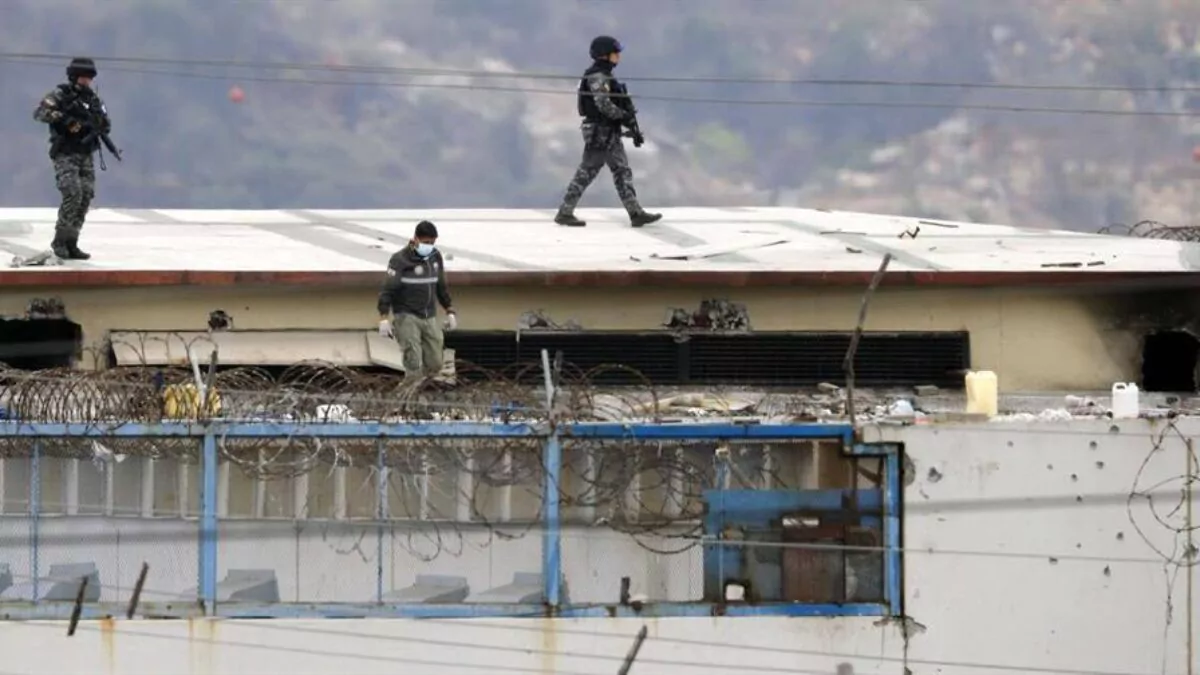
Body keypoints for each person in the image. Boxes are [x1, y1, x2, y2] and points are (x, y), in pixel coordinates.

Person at [554, 35, 662, 229]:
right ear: (604, 55)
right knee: (595, 171)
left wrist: (628, 121)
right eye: (615, 53)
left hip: (607, 131)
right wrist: (623, 116)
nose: (618, 56)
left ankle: (634, 213)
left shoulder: (605, 76)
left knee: (614, 171)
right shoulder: (598, 76)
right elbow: (603, 104)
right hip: (601, 132)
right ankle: (565, 212)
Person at [32, 57, 113, 260]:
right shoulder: (61, 95)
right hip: (65, 153)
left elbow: (105, 123)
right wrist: (65, 119)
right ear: (74, 77)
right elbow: (40, 113)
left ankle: (72, 242)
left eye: (89, 77)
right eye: (83, 77)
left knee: (85, 197)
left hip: (85, 153)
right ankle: (60, 242)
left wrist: (99, 125)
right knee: (73, 194)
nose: (86, 81)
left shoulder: (93, 100)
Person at [376, 220, 458, 380]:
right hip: (406, 315)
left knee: (435, 363)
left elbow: (441, 286)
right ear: (416, 239)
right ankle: (407, 393)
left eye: (432, 243)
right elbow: (388, 290)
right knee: (414, 362)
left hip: (429, 315)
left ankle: (418, 387)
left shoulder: (435, 257)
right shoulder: (400, 259)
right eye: (426, 242)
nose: (429, 246)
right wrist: (383, 317)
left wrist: (449, 310)